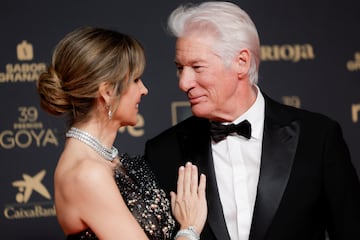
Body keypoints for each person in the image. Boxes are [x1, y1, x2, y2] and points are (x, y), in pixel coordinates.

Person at [144, 2, 360, 240]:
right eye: (180, 68)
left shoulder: (318, 138)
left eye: (197, 67)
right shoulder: (164, 152)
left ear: (242, 62)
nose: (184, 83)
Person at [37, 26, 207, 240]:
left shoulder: (104, 160)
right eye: (136, 80)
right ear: (108, 92)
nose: (144, 90)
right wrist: (189, 228)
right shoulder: (87, 174)